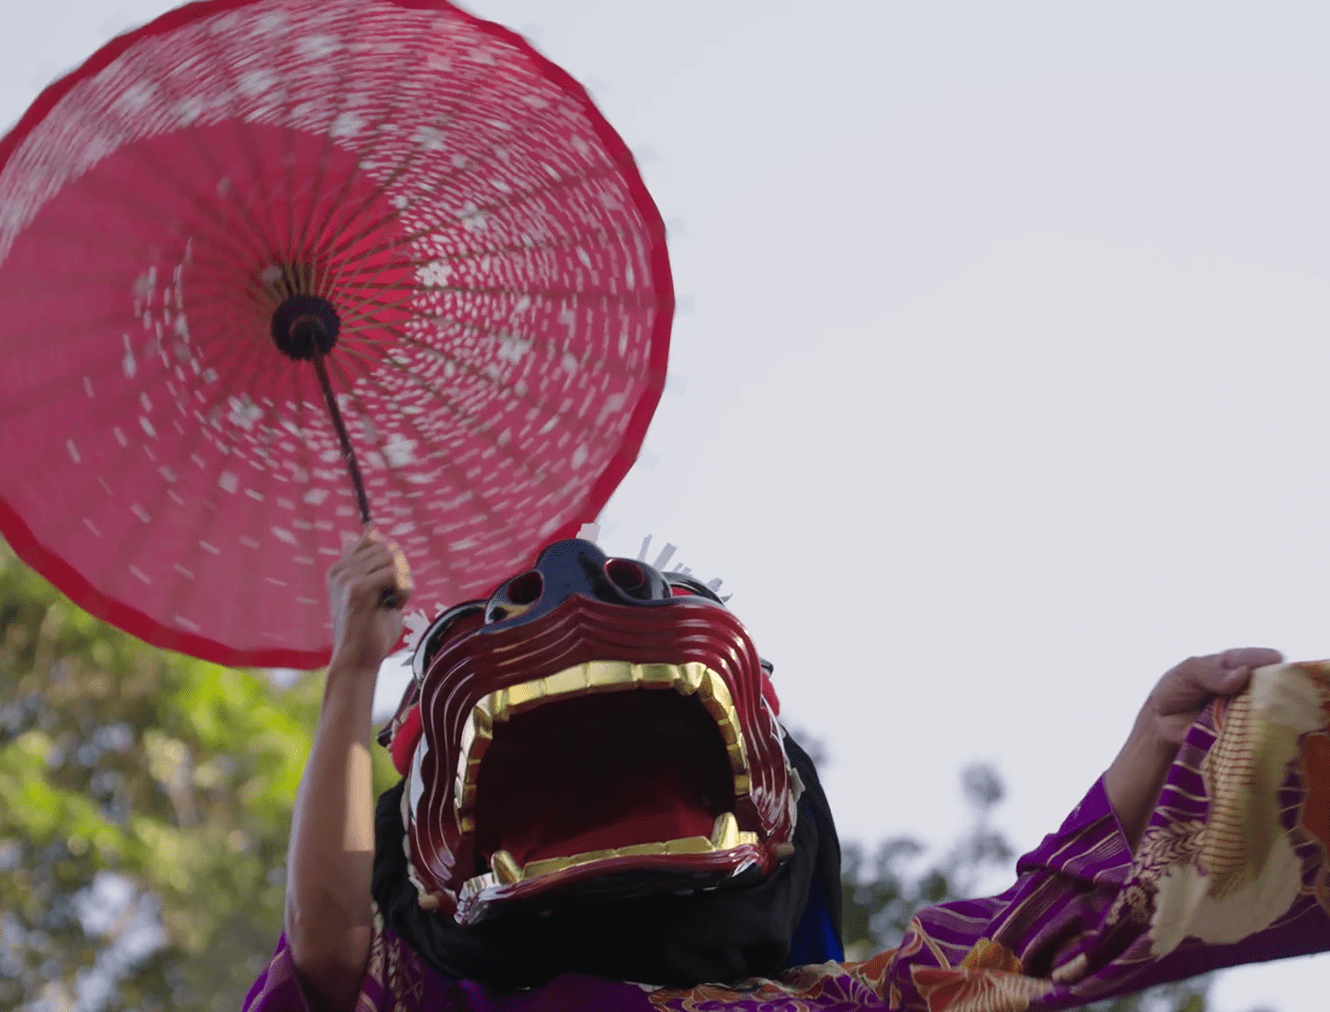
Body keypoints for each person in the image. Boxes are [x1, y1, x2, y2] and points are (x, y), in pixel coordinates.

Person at [245, 532, 1330, 1012]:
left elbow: (1033, 934)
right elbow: (330, 952)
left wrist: (1152, 746)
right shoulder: (443, 1001)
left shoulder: (831, 1007)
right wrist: (353, 671)